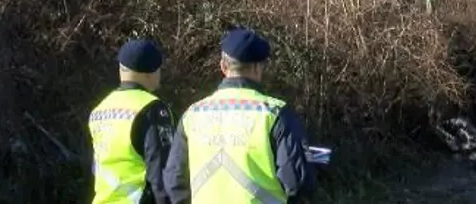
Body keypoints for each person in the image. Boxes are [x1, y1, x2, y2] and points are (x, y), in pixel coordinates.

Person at [163, 27, 316, 203]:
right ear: (258, 68)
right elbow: (297, 181)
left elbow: (174, 180)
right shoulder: (275, 113)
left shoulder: (193, 114)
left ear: (223, 66)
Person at [88, 38, 176, 204]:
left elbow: (96, 168)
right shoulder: (152, 109)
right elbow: (161, 172)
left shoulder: (99, 110)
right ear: (150, 72)